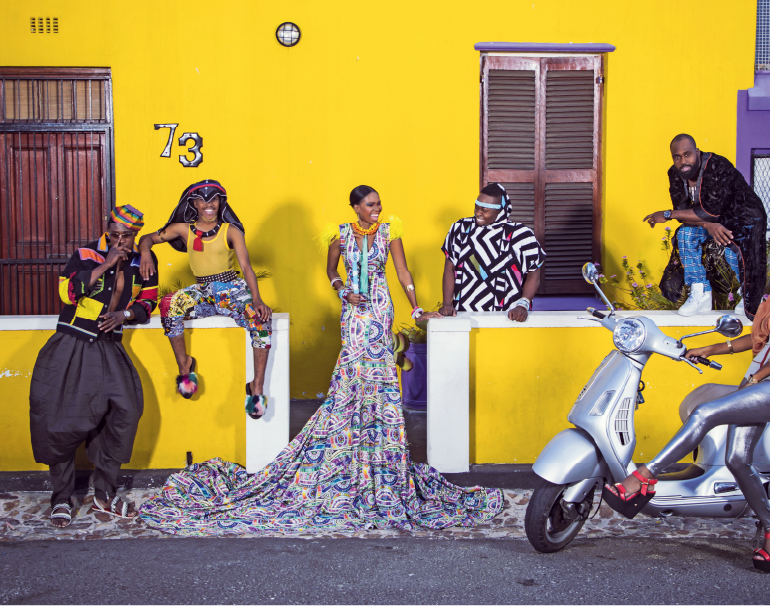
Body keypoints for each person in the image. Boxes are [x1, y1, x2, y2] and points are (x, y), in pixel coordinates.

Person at [137, 185, 504, 534]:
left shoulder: (391, 230)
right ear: (356, 207)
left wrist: (417, 307)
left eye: (378, 203)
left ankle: (382, 452)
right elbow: (331, 272)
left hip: (379, 310)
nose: (377, 209)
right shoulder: (339, 234)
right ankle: (346, 447)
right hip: (352, 313)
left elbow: (403, 272)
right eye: (371, 204)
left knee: (381, 377)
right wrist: (343, 291)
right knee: (350, 375)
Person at [604, 236, 770, 572]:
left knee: (707, 412)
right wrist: (712, 349)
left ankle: (643, 478)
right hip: (759, 381)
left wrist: (761, 376)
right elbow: (758, 340)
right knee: (737, 460)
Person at [29, 205, 158, 528]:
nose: (118, 240)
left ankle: (104, 493)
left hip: (109, 347)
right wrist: (105, 264)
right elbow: (66, 292)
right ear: (106, 229)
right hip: (72, 343)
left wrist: (124, 316)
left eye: (125, 236)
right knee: (61, 421)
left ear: (135, 235)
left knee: (124, 412)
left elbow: (149, 301)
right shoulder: (87, 253)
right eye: (113, 234)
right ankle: (61, 498)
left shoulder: (142, 261)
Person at [137, 180, 273, 418]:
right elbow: (146, 239)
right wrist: (146, 253)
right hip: (202, 292)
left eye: (214, 200)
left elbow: (247, 267)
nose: (209, 205)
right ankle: (185, 366)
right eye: (203, 200)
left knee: (259, 320)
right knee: (169, 304)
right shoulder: (182, 229)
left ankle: (257, 387)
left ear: (221, 203)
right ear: (194, 203)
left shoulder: (230, 231)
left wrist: (257, 300)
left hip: (231, 289)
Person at [643, 134, 768, 319]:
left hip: (744, 217)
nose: (683, 161)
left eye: (687, 155)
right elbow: (684, 212)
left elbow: (706, 211)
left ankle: (747, 294)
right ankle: (700, 293)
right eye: (677, 157)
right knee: (685, 234)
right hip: (713, 221)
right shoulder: (675, 174)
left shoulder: (717, 166)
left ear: (697, 152)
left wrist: (668, 214)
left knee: (732, 246)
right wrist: (708, 225)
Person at [438, 183, 545, 322]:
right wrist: (447, 303)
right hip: (463, 315)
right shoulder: (460, 229)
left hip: (508, 316)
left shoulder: (521, 235)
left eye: (484, 210)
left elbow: (534, 274)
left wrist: (523, 305)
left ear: (500, 211)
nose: (478, 213)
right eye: (477, 207)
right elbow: (449, 269)